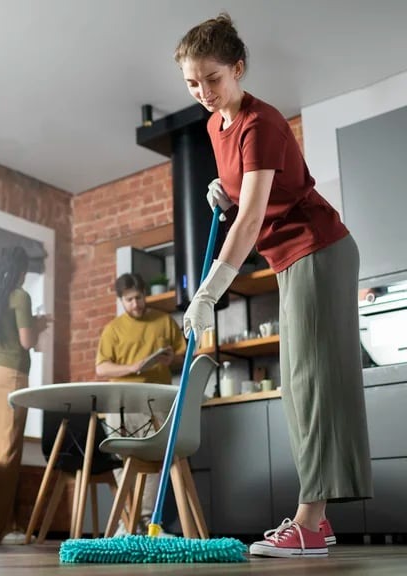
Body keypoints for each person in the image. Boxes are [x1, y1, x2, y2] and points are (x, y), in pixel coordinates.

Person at [174, 14, 372, 558]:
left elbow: (252, 217)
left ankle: (309, 523)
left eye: (212, 79)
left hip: (319, 249)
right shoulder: (216, 127)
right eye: (192, 83)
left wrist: (209, 290)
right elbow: (246, 194)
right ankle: (320, 523)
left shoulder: (261, 123)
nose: (203, 92)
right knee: (300, 383)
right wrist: (225, 187)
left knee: (312, 383)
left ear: (238, 68)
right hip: (290, 258)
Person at [95, 272, 186, 534]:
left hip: (157, 400)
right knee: (121, 460)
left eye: (139, 297)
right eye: (129, 300)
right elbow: (101, 368)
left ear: (145, 294)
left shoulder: (163, 321)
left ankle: (148, 523)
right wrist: (133, 366)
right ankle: (127, 521)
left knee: (154, 461)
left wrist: (171, 360)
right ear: (121, 301)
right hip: (120, 402)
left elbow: (182, 353)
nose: (136, 304)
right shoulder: (113, 329)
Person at [0, 246, 49, 545]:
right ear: (21, 269)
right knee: (8, 455)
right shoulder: (20, 295)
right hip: (12, 376)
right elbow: (27, 340)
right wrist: (40, 324)